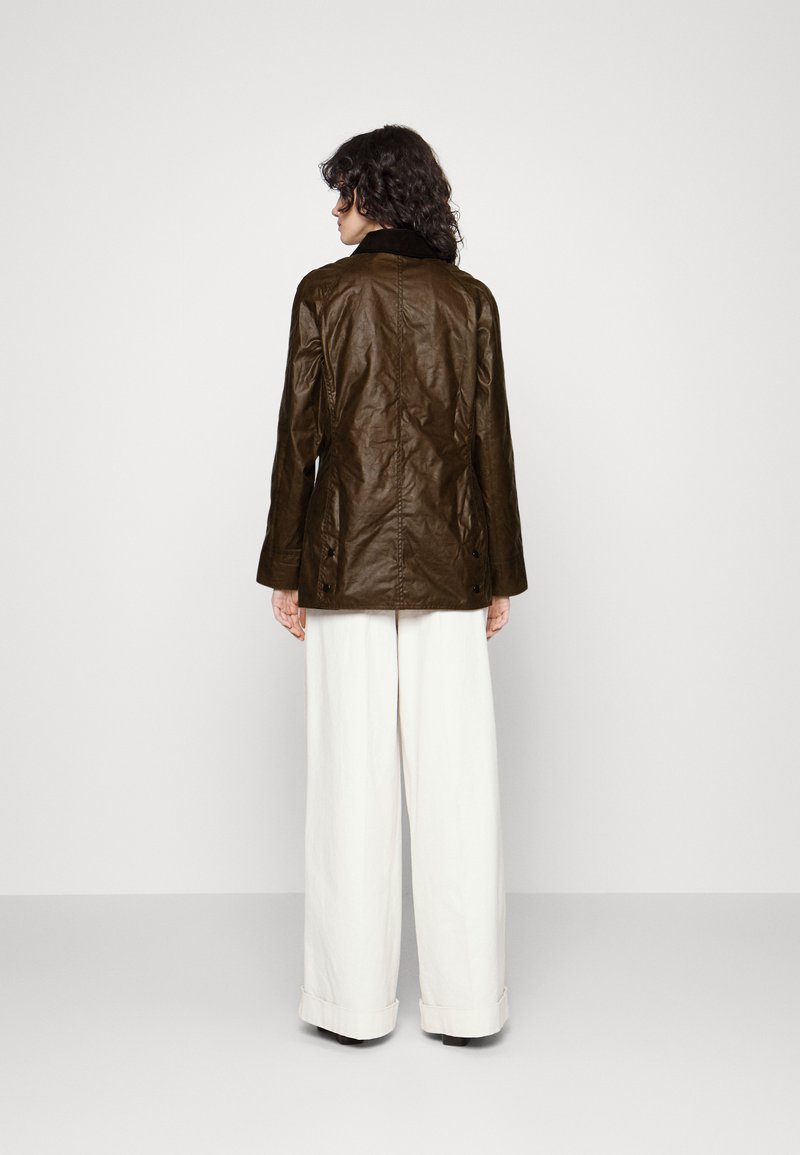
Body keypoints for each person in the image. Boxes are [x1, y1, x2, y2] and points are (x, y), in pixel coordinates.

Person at [256, 125, 528, 1047]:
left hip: (343, 562)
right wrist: (499, 573)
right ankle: (467, 1004)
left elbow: (298, 441)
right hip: (453, 563)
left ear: (374, 196)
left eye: (343, 192)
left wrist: (287, 569)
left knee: (350, 781)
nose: (333, 209)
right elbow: (491, 444)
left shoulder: (324, 295)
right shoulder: (471, 301)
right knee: (459, 785)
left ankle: (352, 1005)